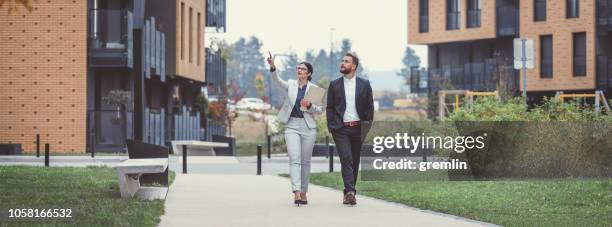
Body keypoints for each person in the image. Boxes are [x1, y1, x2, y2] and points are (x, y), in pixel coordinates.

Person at [266, 51, 324, 206]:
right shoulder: (291, 84)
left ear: (309, 73)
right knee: (294, 158)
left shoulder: (314, 89)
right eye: (298, 68)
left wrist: (310, 105)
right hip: (291, 125)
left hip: (307, 127)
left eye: (303, 69)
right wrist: (272, 67)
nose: (299, 70)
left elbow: (319, 110)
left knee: (305, 162)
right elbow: (277, 81)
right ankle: (296, 192)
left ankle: (304, 192)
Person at [326, 52, 374, 205]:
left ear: (354, 66)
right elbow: (330, 108)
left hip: (358, 128)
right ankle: (350, 192)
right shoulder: (334, 85)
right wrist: (332, 126)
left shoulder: (364, 84)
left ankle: (349, 191)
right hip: (341, 129)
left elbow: (369, 107)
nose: (342, 63)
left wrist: (366, 126)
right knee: (346, 158)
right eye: (342, 61)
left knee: (354, 160)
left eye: (346, 61)